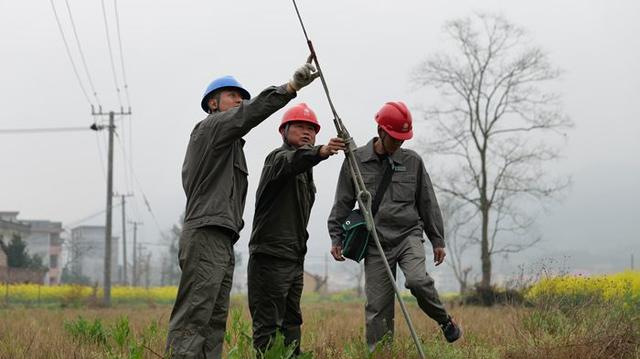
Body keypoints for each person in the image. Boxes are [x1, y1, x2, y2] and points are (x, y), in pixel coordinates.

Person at [166, 60, 319, 358]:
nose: (240, 101)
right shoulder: (209, 128)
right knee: (194, 315)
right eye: (232, 96)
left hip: (223, 237)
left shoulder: (229, 145)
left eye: (242, 97)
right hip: (206, 233)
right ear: (213, 103)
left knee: (213, 320)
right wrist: (290, 88)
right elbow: (249, 114)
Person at [327, 101, 462, 351]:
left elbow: (427, 201)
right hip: (376, 243)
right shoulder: (355, 162)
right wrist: (336, 237)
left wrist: (437, 240)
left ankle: (445, 321)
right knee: (378, 308)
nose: (399, 143)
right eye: (395, 138)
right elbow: (342, 202)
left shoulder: (413, 162)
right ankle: (381, 354)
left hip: (408, 236)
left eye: (403, 139)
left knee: (417, 281)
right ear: (381, 132)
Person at [247, 103, 345, 354]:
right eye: (300, 126)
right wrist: (321, 152)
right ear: (284, 131)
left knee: (292, 323)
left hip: (293, 258)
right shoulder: (277, 160)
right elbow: (293, 161)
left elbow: (301, 162)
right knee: (268, 326)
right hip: (270, 257)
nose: (307, 132)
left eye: (312, 129)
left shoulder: (306, 172)